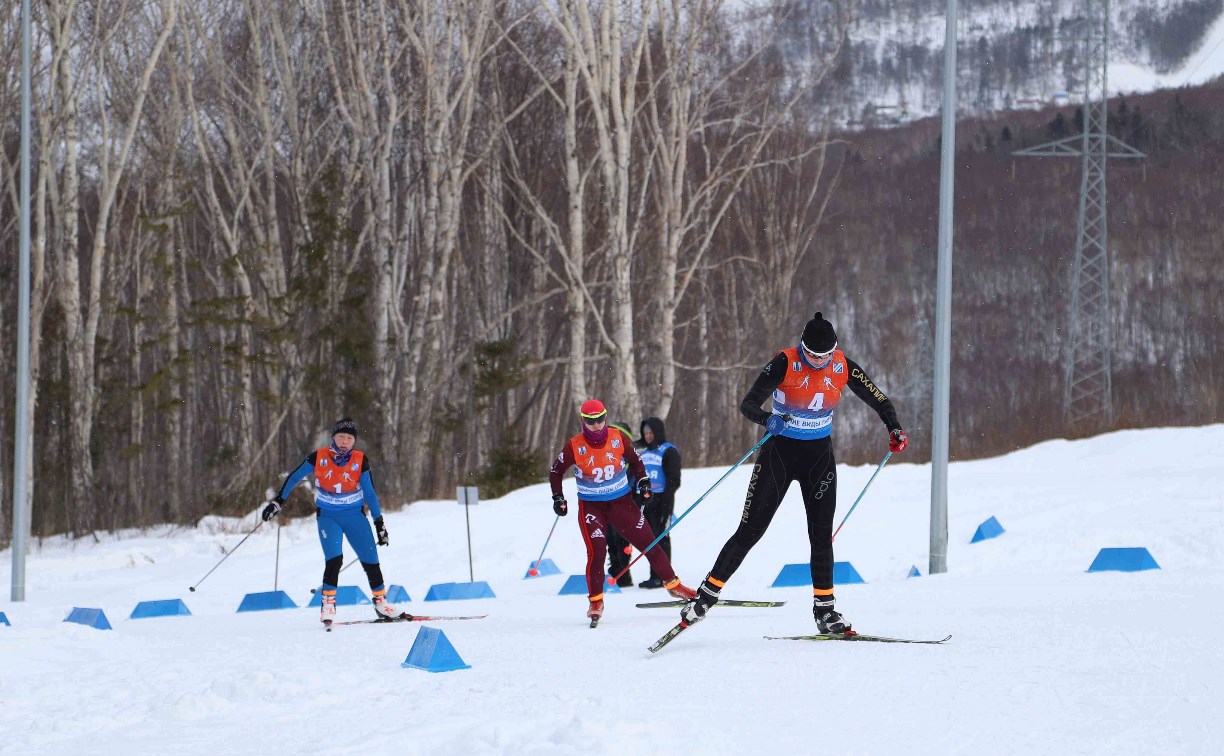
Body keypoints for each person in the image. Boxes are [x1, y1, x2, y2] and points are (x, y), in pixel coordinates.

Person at [680, 312, 908, 633]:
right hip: (779, 455)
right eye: (813, 355)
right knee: (751, 530)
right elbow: (748, 404)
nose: (818, 361)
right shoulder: (784, 363)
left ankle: (825, 612)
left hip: (818, 458)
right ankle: (704, 597)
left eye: (824, 355)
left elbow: (878, 398)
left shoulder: (843, 366)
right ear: (803, 348)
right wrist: (765, 419)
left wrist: (894, 428)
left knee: (821, 536)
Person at [549, 399, 697, 622]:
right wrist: (558, 497)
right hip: (591, 507)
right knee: (597, 553)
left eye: (600, 420)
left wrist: (644, 481)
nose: (597, 425)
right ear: (583, 421)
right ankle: (596, 601)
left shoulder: (618, 438)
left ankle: (673, 585)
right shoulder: (574, 446)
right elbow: (556, 471)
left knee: (650, 544)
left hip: (622, 504)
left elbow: (636, 462)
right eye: (591, 421)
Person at [261, 417, 400, 625]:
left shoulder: (360, 460)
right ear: (333, 437)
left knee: (370, 559)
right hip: (329, 517)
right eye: (341, 436)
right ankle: (328, 605)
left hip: (355, 516)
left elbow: (370, 494)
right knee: (334, 560)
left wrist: (379, 523)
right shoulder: (318, 457)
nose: (345, 441)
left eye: (349, 438)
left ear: (354, 442)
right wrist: (278, 501)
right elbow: (295, 477)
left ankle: (381, 603)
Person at [636, 416, 681, 589]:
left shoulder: (668, 450)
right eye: (645, 433)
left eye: (650, 432)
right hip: (646, 500)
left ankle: (663, 576)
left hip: (662, 500)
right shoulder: (644, 453)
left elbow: (673, 479)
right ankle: (654, 574)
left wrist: (666, 501)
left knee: (661, 537)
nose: (648, 436)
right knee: (648, 538)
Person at [605, 420, 637, 588]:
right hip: (606, 503)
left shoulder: (628, 455)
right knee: (609, 537)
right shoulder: (606, 454)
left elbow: (633, 476)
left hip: (624, 502)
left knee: (622, 539)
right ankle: (615, 570)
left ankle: (623, 574)